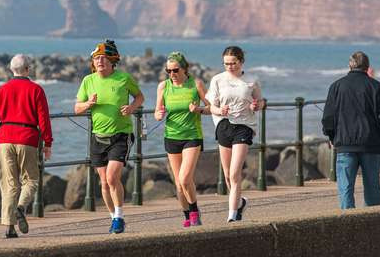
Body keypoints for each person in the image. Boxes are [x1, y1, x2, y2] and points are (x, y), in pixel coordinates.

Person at [74, 39, 144, 234]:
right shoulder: (88, 81)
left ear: (113, 60)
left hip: (121, 135)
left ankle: (120, 216)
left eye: (103, 58)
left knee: (113, 177)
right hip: (98, 136)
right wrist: (88, 104)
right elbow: (77, 108)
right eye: (96, 58)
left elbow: (140, 97)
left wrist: (131, 108)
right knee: (104, 182)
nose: (99, 61)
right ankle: (113, 217)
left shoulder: (124, 78)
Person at [0, 54, 53, 238]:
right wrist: (47, 143)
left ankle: (9, 227)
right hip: (28, 139)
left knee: (9, 185)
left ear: (11, 70)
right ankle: (21, 207)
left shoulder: (2, 90)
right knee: (31, 180)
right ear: (28, 69)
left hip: (5, 140)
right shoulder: (36, 90)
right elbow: (43, 119)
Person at [321, 51, 380, 209]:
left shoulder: (336, 86)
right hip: (371, 144)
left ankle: (348, 223)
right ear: (367, 67)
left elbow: (328, 117)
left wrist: (331, 136)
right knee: (372, 187)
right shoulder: (376, 87)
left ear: (350, 65)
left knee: (346, 188)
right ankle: (372, 221)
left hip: (345, 144)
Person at [206, 45, 264, 222]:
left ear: (241, 61)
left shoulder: (252, 80)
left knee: (234, 173)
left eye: (233, 63)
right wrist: (219, 110)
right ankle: (239, 203)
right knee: (227, 174)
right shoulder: (217, 80)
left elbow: (260, 102)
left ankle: (232, 215)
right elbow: (211, 106)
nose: (230, 66)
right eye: (226, 63)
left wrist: (256, 106)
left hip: (244, 126)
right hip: (224, 125)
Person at [154, 51, 210, 228]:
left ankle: (194, 210)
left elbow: (211, 108)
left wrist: (198, 109)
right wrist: (159, 114)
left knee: (185, 178)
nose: (172, 74)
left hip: (192, 136)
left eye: (175, 70)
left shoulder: (196, 84)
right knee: (179, 184)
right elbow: (157, 112)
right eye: (168, 71)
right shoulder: (163, 87)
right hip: (172, 136)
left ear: (185, 69)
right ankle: (186, 215)